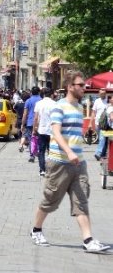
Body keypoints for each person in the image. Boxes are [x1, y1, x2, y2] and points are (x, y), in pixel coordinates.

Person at [30, 71, 110, 253]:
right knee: (50, 200)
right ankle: (36, 230)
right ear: (70, 87)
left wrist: (80, 148)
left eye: (84, 85)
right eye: (80, 85)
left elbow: (74, 133)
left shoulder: (80, 108)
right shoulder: (59, 107)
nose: (84, 88)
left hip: (79, 164)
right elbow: (56, 132)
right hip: (59, 162)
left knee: (81, 201)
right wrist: (69, 152)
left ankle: (88, 240)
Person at [33, 88, 56, 176]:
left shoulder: (39, 103)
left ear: (42, 94)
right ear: (51, 94)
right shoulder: (55, 104)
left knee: (41, 151)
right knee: (51, 151)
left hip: (41, 130)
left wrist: (34, 129)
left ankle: (42, 170)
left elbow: (35, 118)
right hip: (52, 131)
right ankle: (51, 170)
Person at [21, 86, 41, 163]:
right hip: (39, 123)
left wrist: (23, 124)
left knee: (31, 140)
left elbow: (25, 114)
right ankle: (39, 153)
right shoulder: (41, 100)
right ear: (39, 92)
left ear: (31, 93)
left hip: (30, 123)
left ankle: (32, 155)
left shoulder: (28, 101)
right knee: (39, 139)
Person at [89, 88, 107, 161]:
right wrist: (90, 123)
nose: (102, 95)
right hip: (97, 123)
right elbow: (93, 112)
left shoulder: (108, 101)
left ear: (105, 93)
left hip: (105, 123)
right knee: (102, 139)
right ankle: (103, 154)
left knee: (102, 138)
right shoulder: (97, 101)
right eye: (101, 93)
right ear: (99, 94)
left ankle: (98, 153)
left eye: (104, 93)